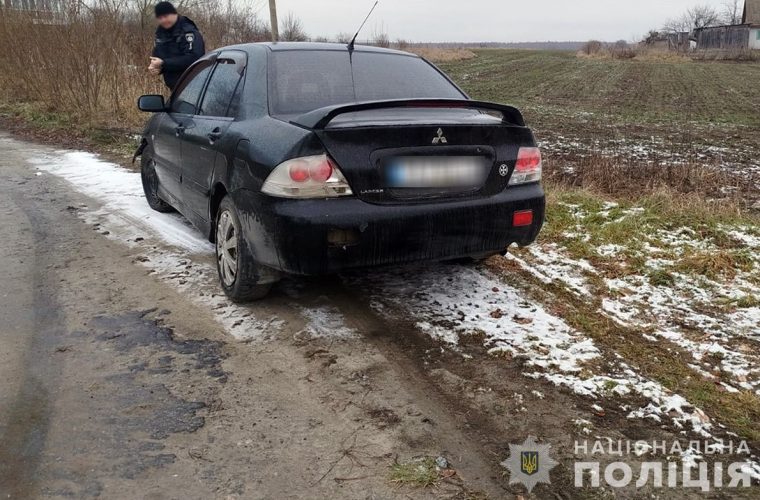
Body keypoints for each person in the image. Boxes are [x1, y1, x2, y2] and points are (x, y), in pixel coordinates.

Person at [149, 2, 205, 90]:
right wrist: (157, 68)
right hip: (175, 89)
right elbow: (159, 55)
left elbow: (195, 58)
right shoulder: (161, 33)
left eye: (166, 16)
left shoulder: (188, 31)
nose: (163, 20)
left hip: (193, 87)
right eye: (160, 18)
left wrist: (164, 63)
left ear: (174, 14)